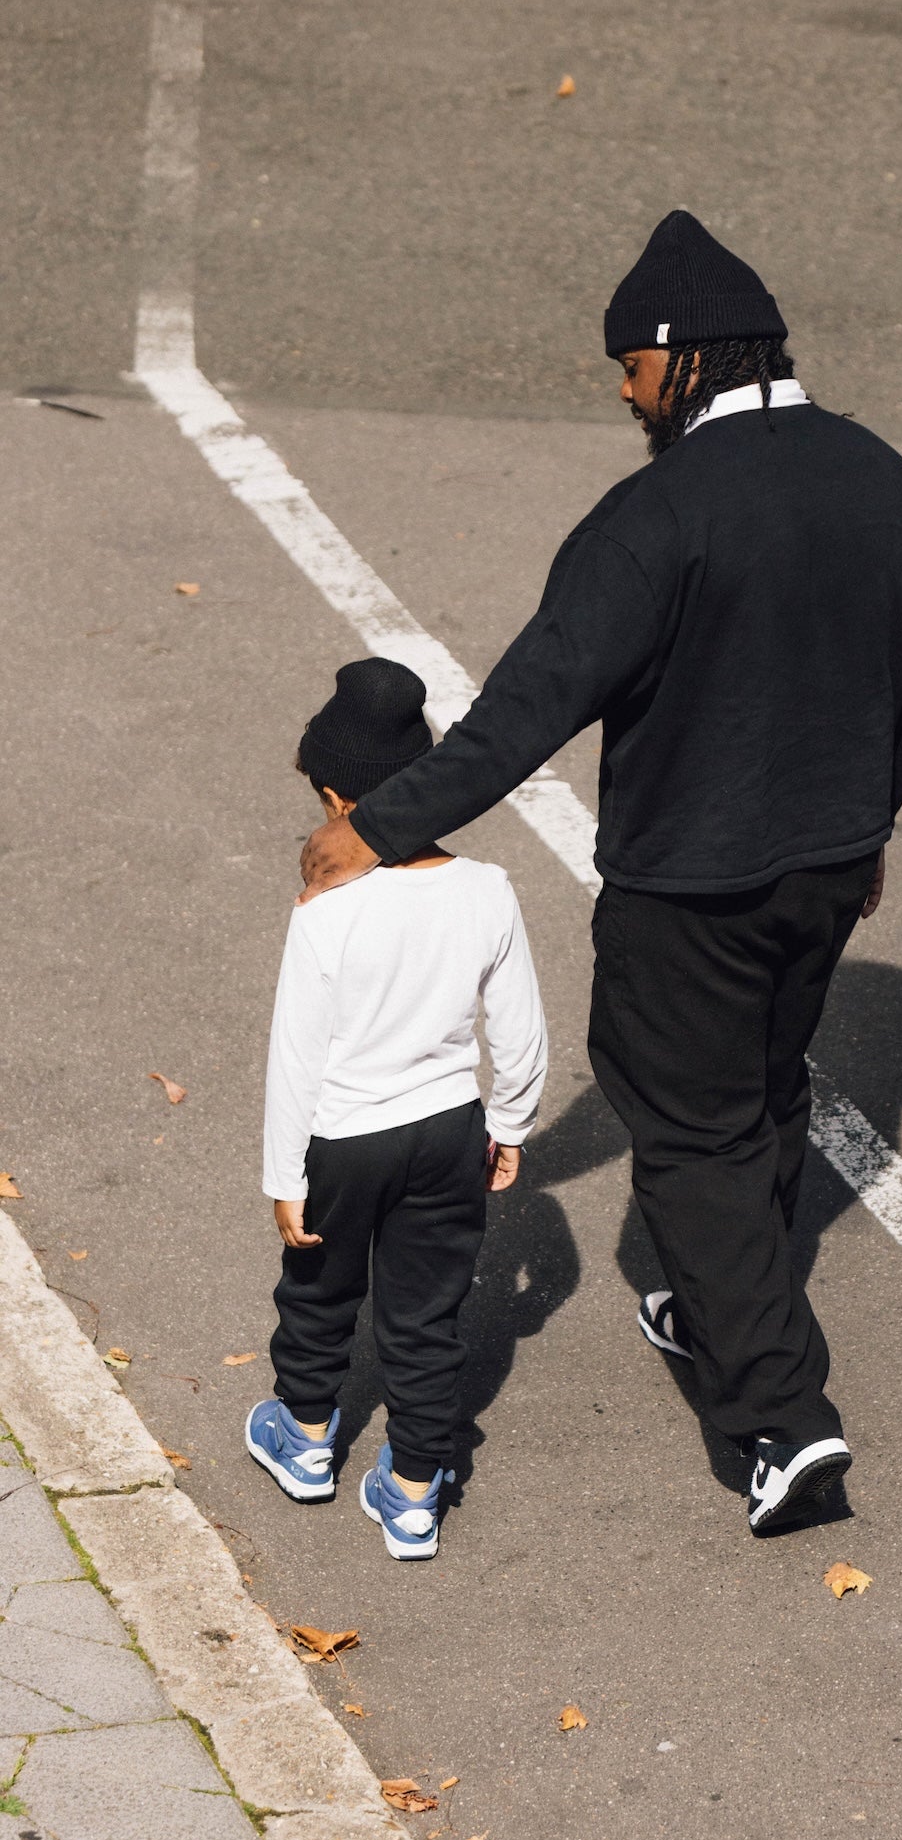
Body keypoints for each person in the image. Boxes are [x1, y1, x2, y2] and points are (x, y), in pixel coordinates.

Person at [298, 211, 902, 1536]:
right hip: (827, 867)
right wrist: (868, 828)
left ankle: (781, 1419)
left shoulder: (658, 515)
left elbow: (528, 707)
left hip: (689, 889)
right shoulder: (882, 479)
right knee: (757, 1086)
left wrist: (378, 823)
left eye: (631, 365)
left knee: (687, 1125)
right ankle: (712, 1297)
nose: (623, 388)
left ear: (684, 355)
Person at [247, 657, 547, 1559]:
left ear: (338, 798)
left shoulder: (326, 907)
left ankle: (305, 1438)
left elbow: (296, 1055)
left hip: (345, 1137)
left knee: (321, 1290)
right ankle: (414, 1488)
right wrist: (511, 1124)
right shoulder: (486, 891)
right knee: (424, 1314)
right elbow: (520, 1029)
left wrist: (283, 1176)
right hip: (447, 1130)